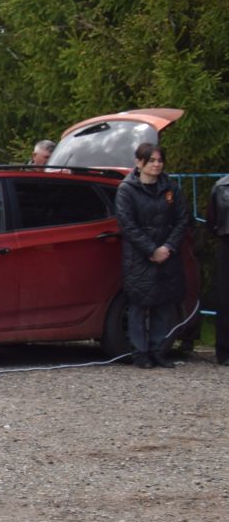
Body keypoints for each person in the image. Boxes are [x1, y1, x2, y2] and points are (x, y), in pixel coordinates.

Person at [116, 142, 188, 368]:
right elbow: (127, 225)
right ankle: (140, 352)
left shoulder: (171, 188)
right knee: (139, 303)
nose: (156, 165)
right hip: (139, 255)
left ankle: (159, 349)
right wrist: (151, 249)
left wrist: (167, 247)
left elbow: (182, 220)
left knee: (164, 303)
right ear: (139, 162)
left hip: (167, 252)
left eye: (160, 161)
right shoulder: (127, 189)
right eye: (152, 161)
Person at [210, 171, 229, 365]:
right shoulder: (220, 186)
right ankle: (224, 350)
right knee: (225, 298)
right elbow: (212, 221)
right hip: (226, 242)